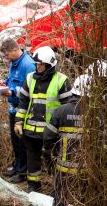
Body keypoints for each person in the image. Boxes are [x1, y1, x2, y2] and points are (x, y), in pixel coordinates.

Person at [38, 74, 90, 206]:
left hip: (63, 168)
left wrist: (50, 159)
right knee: (86, 203)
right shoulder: (94, 114)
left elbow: (48, 138)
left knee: (59, 203)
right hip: (85, 172)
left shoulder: (61, 111)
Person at [14, 46, 72, 192]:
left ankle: (57, 187)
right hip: (31, 130)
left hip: (51, 132)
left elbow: (68, 107)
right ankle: (33, 185)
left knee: (53, 159)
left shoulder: (61, 81)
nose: (37, 67)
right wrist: (18, 121)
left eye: (40, 64)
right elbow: (23, 102)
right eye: (36, 64)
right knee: (32, 158)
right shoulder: (30, 78)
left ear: (49, 65)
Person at [0, 38, 35, 184]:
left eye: (6, 55)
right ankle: (17, 166)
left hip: (24, 111)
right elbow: (13, 79)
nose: (5, 58)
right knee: (15, 140)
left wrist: (12, 92)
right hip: (13, 109)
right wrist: (5, 84)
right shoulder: (14, 62)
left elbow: (30, 91)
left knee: (22, 142)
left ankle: (22, 172)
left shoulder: (28, 65)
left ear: (14, 50)